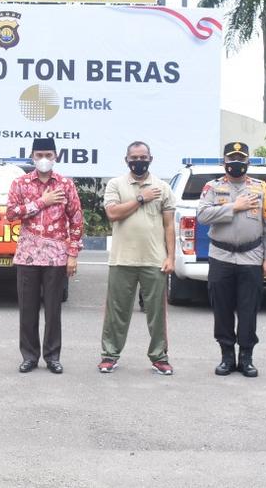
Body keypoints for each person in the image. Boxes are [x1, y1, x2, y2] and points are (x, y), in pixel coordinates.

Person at [195, 141, 266, 377]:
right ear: (224, 162)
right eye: (231, 159)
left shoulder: (260, 187)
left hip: (251, 257)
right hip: (221, 255)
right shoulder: (211, 187)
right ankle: (226, 356)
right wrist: (235, 206)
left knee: (248, 309)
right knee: (221, 308)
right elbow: (202, 215)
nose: (236, 163)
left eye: (241, 159)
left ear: (248, 162)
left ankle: (246, 357)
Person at [98, 141, 178, 375]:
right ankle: (109, 355)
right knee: (116, 312)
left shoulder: (162, 187)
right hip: (122, 260)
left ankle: (159, 357)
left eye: (143, 157)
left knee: (157, 314)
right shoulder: (116, 184)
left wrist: (171, 257)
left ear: (150, 159)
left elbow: (169, 226)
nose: (139, 161)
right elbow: (112, 213)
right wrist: (141, 198)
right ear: (126, 160)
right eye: (134, 157)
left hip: (155, 260)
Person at [7, 137, 84, 375]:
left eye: (48, 155)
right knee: (27, 310)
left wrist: (72, 255)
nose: (44, 160)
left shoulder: (65, 184)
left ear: (56, 156)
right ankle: (29, 356)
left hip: (56, 257)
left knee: (53, 311)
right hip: (28, 256)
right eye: (39, 155)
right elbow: (11, 214)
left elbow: (77, 220)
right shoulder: (20, 183)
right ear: (32, 157)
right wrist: (42, 201)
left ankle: (52, 356)